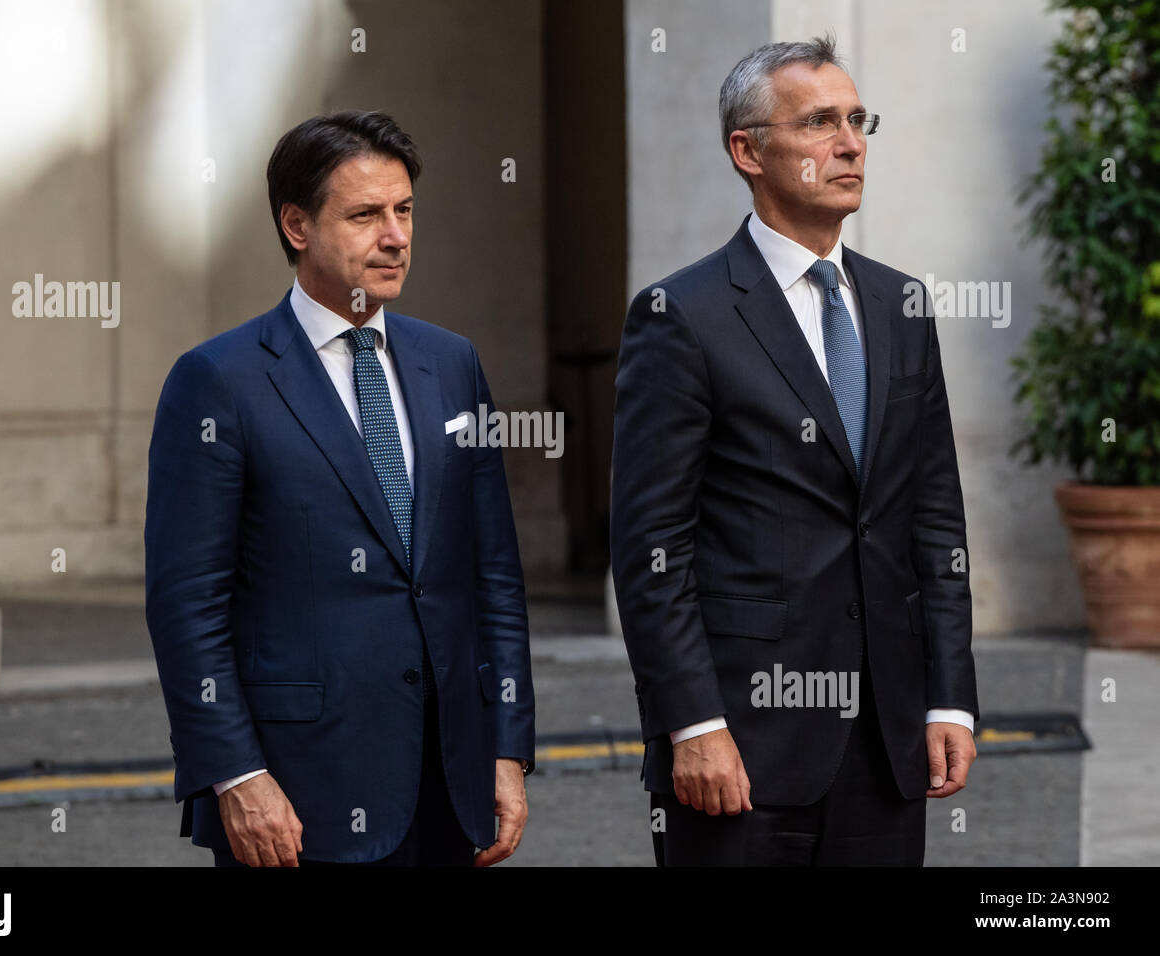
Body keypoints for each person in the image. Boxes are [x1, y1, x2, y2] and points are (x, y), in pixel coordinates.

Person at [610, 35, 978, 866]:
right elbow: (649, 549)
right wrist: (693, 725)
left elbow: (934, 515)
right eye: (819, 123)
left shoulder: (901, 304)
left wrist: (949, 699)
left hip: (888, 747)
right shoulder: (682, 315)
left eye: (856, 120)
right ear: (749, 151)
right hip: (742, 747)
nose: (850, 144)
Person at [145, 110, 534, 867]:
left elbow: (494, 576)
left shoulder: (452, 363)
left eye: (405, 211)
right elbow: (185, 603)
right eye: (365, 215)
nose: (396, 236)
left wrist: (507, 747)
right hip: (296, 795)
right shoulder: (218, 381)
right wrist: (237, 774)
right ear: (297, 225)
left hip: (449, 785)